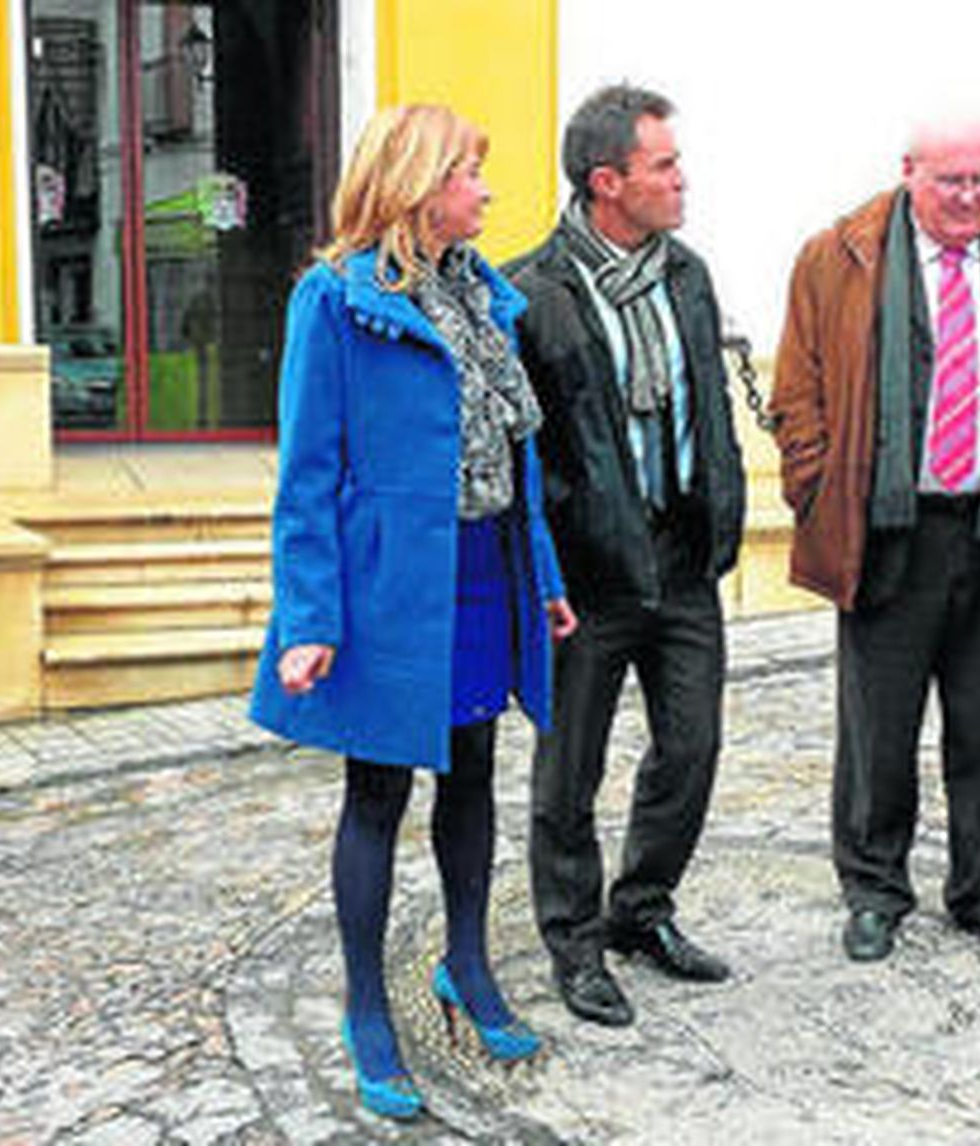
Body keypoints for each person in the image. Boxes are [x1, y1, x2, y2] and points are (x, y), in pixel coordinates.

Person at [248, 104, 577, 1120]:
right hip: (389, 584)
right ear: (420, 183)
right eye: (470, 173)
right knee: (378, 795)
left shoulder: (485, 297)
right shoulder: (333, 300)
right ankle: (366, 1011)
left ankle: (466, 967)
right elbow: (306, 473)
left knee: (473, 775)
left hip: (484, 570)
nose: (484, 189)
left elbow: (513, 458)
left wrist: (548, 579)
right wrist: (309, 615)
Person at [770, 113, 980, 964]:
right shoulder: (839, 254)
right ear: (909, 172)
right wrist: (817, 485)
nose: (971, 198)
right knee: (878, 730)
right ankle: (874, 891)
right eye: (952, 181)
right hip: (887, 530)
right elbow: (797, 390)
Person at [506, 83, 746, 1027]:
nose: (683, 180)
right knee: (570, 770)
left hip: (681, 559)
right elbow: (528, 451)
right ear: (608, 182)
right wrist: (555, 550)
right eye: (665, 166)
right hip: (586, 574)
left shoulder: (686, 273)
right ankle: (573, 944)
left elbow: (711, 406)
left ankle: (641, 911)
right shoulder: (531, 293)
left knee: (692, 747)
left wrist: (720, 510)